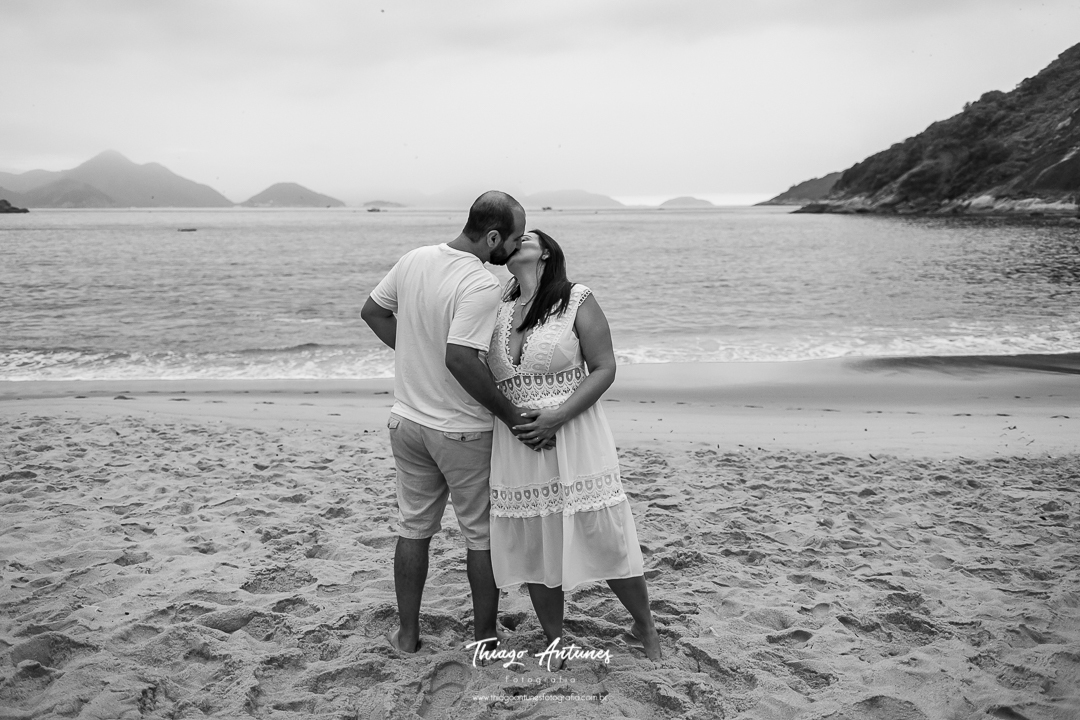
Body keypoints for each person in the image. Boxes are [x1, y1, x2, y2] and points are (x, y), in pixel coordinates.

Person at [361, 190, 533, 654]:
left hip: (406, 422)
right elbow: (460, 358)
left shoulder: (414, 258)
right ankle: (485, 642)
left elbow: (372, 311)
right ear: (492, 236)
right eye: (513, 239)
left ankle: (407, 636)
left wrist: (414, 352)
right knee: (480, 536)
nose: (516, 247)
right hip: (461, 430)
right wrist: (511, 414)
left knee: (413, 528)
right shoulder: (481, 283)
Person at [484, 229, 662, 662]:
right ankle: (555, 641)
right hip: (518, 441)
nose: (516, 240)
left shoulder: (576, 299)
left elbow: (604, 367)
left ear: (546, 252)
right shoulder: (497, 306)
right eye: (511, 237)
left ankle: (645, 626)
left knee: (604, 534)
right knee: (536, 540)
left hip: (575, 432)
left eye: (526, 237)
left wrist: (559, 416)